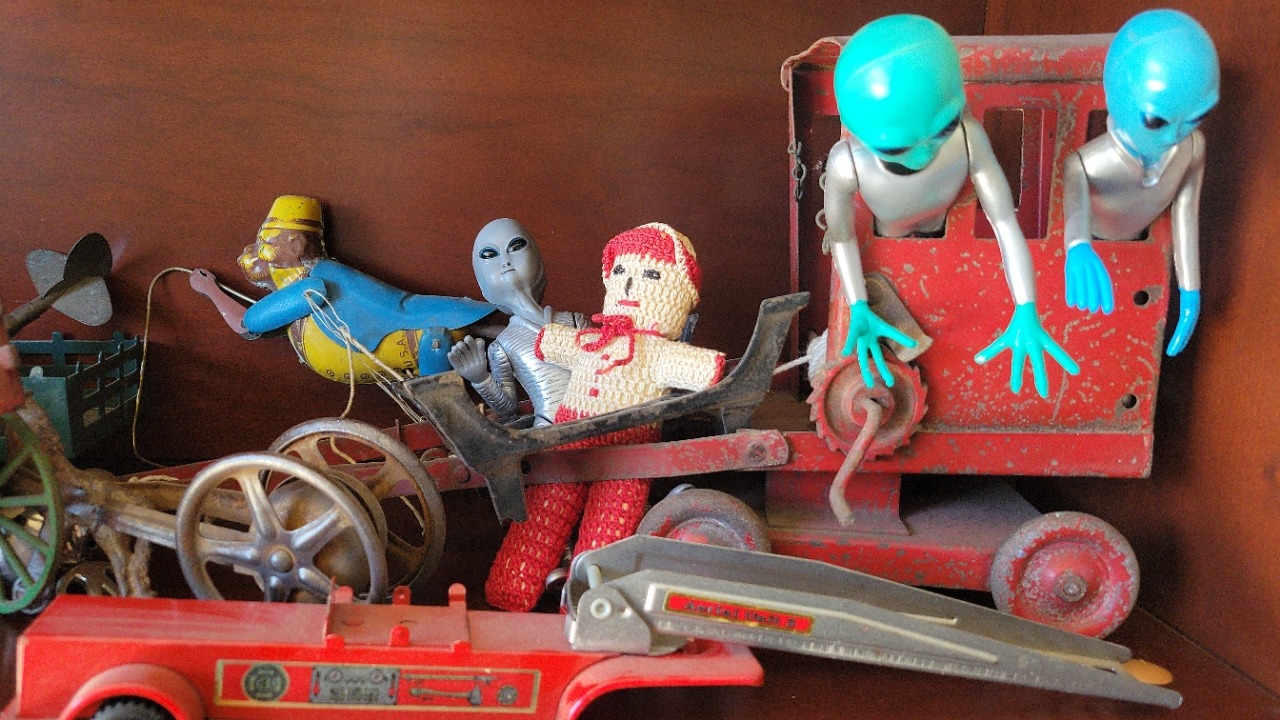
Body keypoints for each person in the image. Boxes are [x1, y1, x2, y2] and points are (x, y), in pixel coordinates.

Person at [823, 14, 1077, 398]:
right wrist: (858, 304)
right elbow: (842, 238)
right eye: (897, 147)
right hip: (888, 237)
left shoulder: (968, 138)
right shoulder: (847, 163)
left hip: (943, 220)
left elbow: (1004, 221)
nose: (925, 153)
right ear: (855, 129)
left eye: (943, 127)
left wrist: (1026, 307)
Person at [485, 223, 724, 612]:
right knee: (544, 513)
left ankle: (588, 605)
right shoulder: (591, 340)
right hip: (569, 445)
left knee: (609, 531)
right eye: (621, 272)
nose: (629, 284)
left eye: (650, 275)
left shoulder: (659, 353)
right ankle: (513, 586)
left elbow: (707, 369)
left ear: (679, 294)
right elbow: (549, 341)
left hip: (628, 455)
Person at [1062, 9, 1218, 357]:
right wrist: (1077, 246)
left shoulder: (1192, 148)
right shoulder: (1085, 163)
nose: (1176, 136)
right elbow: (1074, 210)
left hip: (1140, 248)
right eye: (1156, 121)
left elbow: (1185, 215)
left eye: (1198, 117)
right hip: (1096, 248)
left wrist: (1190, 291)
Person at [237, 195, 495, 382]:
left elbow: (255, 320)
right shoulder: (310, 278)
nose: (257, 251)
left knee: (434, 371)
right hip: (384, 343)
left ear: (296, 246)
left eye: (266, 242)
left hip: (426, 339)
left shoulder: (313, 282)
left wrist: (251, 319)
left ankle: (441, 411)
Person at [447, 218, 586, 426]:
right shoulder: (501, 346)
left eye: (516, 246)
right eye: (490, 255)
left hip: (599, 415)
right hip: (550, 429)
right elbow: (508, 408)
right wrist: (481, 379)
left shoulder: (576, 321)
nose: (505, 261)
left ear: (537, 258)